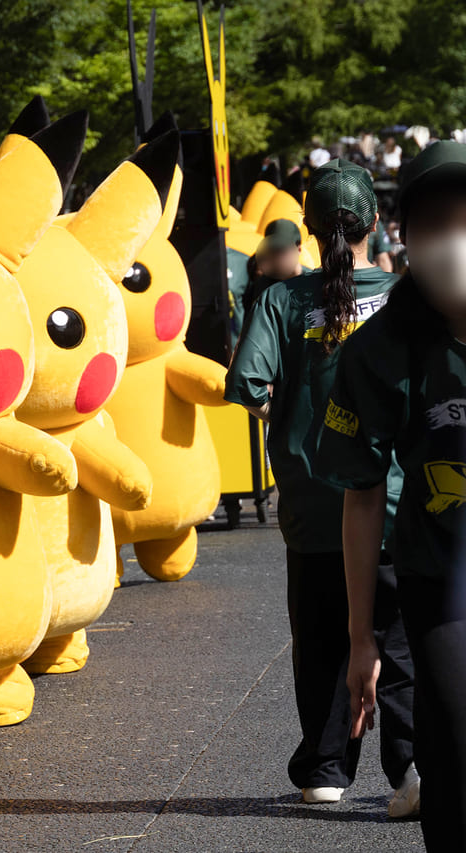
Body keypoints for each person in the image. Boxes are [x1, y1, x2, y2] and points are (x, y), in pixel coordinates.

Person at [225, 159, 418, 814]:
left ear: (307, 228)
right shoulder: (402, 297)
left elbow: (248, 383)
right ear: (374, 224)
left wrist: (289, 423)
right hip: (394, 498)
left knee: (322, 636)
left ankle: (327, 766)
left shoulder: (282, 300)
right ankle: (412, 764)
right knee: (397, 636)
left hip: (310, 503)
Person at [318, 141, 466, 850]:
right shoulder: (380, 351)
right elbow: (361, 496)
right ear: (402, 235)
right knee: (454, 752)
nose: (454, 239)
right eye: (436, 221)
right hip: (440, 586)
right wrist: (360, 638)